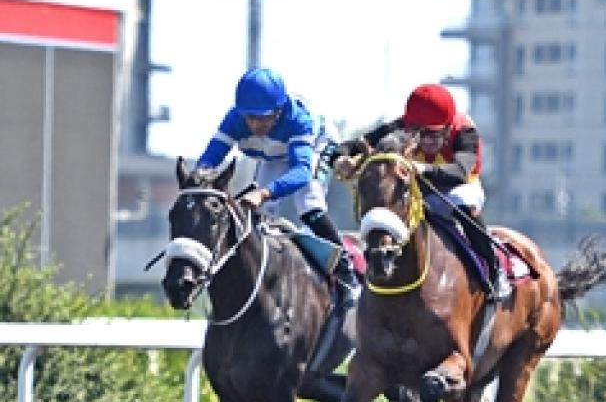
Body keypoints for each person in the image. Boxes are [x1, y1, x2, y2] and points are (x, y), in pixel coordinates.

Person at [196, 67, 360, 315]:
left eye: (263, 118)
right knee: (260, 213)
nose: (255, 125)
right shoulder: (234, 120)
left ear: (280, 110)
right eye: (249, 118)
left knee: (308, 202)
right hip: (274, 154)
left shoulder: (297, 120)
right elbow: (208, 161)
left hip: (313, 149)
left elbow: (302, 172)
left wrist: (264, 192)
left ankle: (347, 274)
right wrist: (198, 179)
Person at [333, 83, 509, 301]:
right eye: (418, 133)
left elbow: (460, 171)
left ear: (447, 127)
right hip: (419, 186)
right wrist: (341, 159)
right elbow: (354, 144)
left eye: (433, 135)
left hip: (457, 186)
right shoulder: (403, 125)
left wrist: (421, 168)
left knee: (465, 208)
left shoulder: (464, 131)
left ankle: (494, 270)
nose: (425, 141)